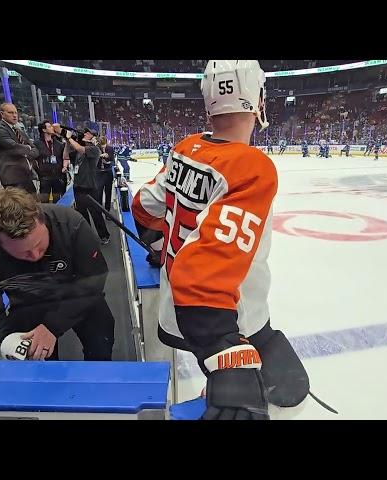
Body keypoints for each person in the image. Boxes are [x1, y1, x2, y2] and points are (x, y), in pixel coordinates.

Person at [132, 60, 308, 420]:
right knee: (282, 403)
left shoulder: (185, 148)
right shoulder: (250, 166)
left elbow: (143, 206)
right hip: (231, 319)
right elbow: (204, 278)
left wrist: (160, 244)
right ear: (257, 100)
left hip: (175, 310)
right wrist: (225, 354)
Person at [0, 188, 115, 361]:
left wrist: (52, 326)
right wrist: (4, 338)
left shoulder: (72, 224)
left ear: (42, 221)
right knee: (34, 362)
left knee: (101, 342)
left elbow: (93, 280)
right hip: (27, 303)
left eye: (40, 245)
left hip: (78, 295)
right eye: (24, 253)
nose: (35, 255)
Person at [63, 128, 110, 244]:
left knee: (96, 214)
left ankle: (104, 235)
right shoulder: (79, 152)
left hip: (90, 187)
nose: (84, 134)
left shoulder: (95, 150)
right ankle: (88, 237)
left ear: (93, 137)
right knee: (82, 215)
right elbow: (66, 156)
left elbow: (80, 148)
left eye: (88, 133)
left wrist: (69, 137)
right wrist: (67, 142)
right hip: (78, 186)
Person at [34, 120, 66, 203]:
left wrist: (65, 166)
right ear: (44, 130)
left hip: (58, 176)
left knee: (58, 201)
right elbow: (34, 159)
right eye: (49, 126)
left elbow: (64, 157)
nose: (52, 128)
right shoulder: (37, 144)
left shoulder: (59, 144)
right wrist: (39, 171)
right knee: (44, 202)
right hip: (44, 177)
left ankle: (57, 216)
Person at [96, 136, 116, 212]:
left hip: (108, 172)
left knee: (108, 192)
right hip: (99, 173)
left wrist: (108, 161)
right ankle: (99, 210)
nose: (103, 147)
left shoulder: (110, 148)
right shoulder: (96, 148)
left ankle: (107, 211)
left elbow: (112, 159)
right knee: (99, 193)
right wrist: (100, 156)